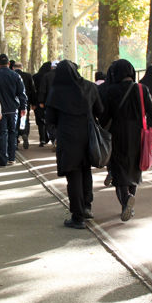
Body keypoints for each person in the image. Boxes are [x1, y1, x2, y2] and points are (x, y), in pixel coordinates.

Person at [98, 59, 152, 222]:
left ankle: (126, 200)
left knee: (118, 171)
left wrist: (100, 129)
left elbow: (104, 116)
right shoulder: (141, 89)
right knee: (135, 169)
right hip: (138, 136)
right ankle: (131, 195)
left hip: (117, 135)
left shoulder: (111, 91)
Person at [46, 60, 103, 229]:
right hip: (88, 135)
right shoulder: (90, 87)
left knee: (73, 176)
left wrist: (54, 136)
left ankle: (77, 217)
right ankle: (87, 207)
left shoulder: (56, 92)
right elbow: (100, 110)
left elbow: (50, 119)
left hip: (68, 138)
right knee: (86, 171)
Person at [0, 54, 28, 166]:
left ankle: (3, 158)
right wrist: (23, 107)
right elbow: (22, 93)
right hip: (13, 109)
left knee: (2, 133)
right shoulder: (16, 76)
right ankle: (12, 157)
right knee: (12, 132)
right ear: (9, 64)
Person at [12, 60, 37, 149]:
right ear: (22, 67)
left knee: (14, 121)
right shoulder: (28, 76)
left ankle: (15, 140)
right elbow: (33, 90)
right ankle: (24, 132)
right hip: (26, 102)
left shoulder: (12, 75)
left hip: (13, 103)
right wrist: (34, 103)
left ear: (13, 68)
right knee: (24, 119)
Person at [34, 61, 55, 147]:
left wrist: (37, 102)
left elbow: (35, 90)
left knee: (40, 121)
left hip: (39, 102)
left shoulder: (36, 76)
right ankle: (52, 138)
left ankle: (42, 138)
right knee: (50, 120)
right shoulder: (52, 76)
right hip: (51, 102)